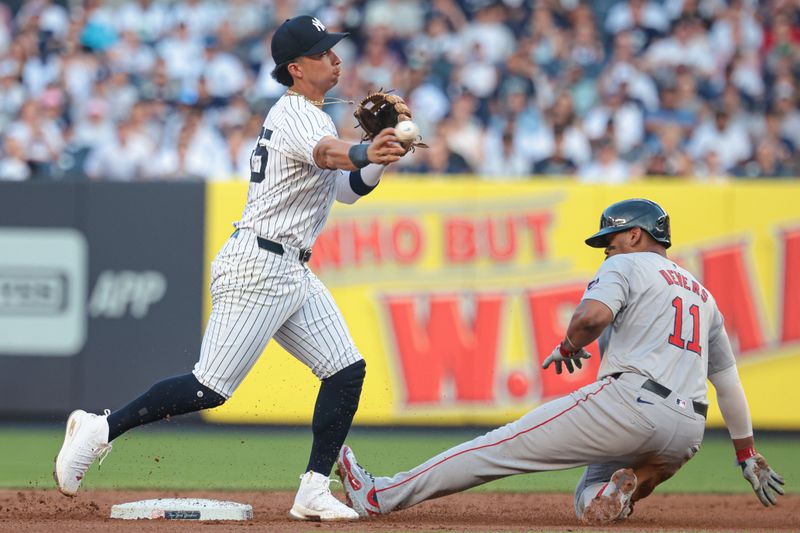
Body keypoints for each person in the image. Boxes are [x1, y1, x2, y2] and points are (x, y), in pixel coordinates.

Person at [54, 15, 408, 522]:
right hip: (260, 266)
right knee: (209, 388)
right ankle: (99, 429)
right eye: (322, 52)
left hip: (290, 269)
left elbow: (347, 189)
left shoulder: (314, 115)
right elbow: (332, 156)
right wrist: (361, 150)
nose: (335, 57)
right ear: (295, 68)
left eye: (333, 48)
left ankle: (312, 489)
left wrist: (376, 159)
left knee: (346, 370)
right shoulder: (297, 115)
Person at [336, 198, 786, 524]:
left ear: (636, 235)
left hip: (630, 404)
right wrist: (746, 453)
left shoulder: (627, 264)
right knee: (587, 499)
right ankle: (615, 492)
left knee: (499, 447)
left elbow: (592, 316)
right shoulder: (702, 295)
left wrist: (571, 344)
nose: (606, 248)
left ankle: (378, 495)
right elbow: (728, 384)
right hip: (687, 432)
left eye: (610, 237)